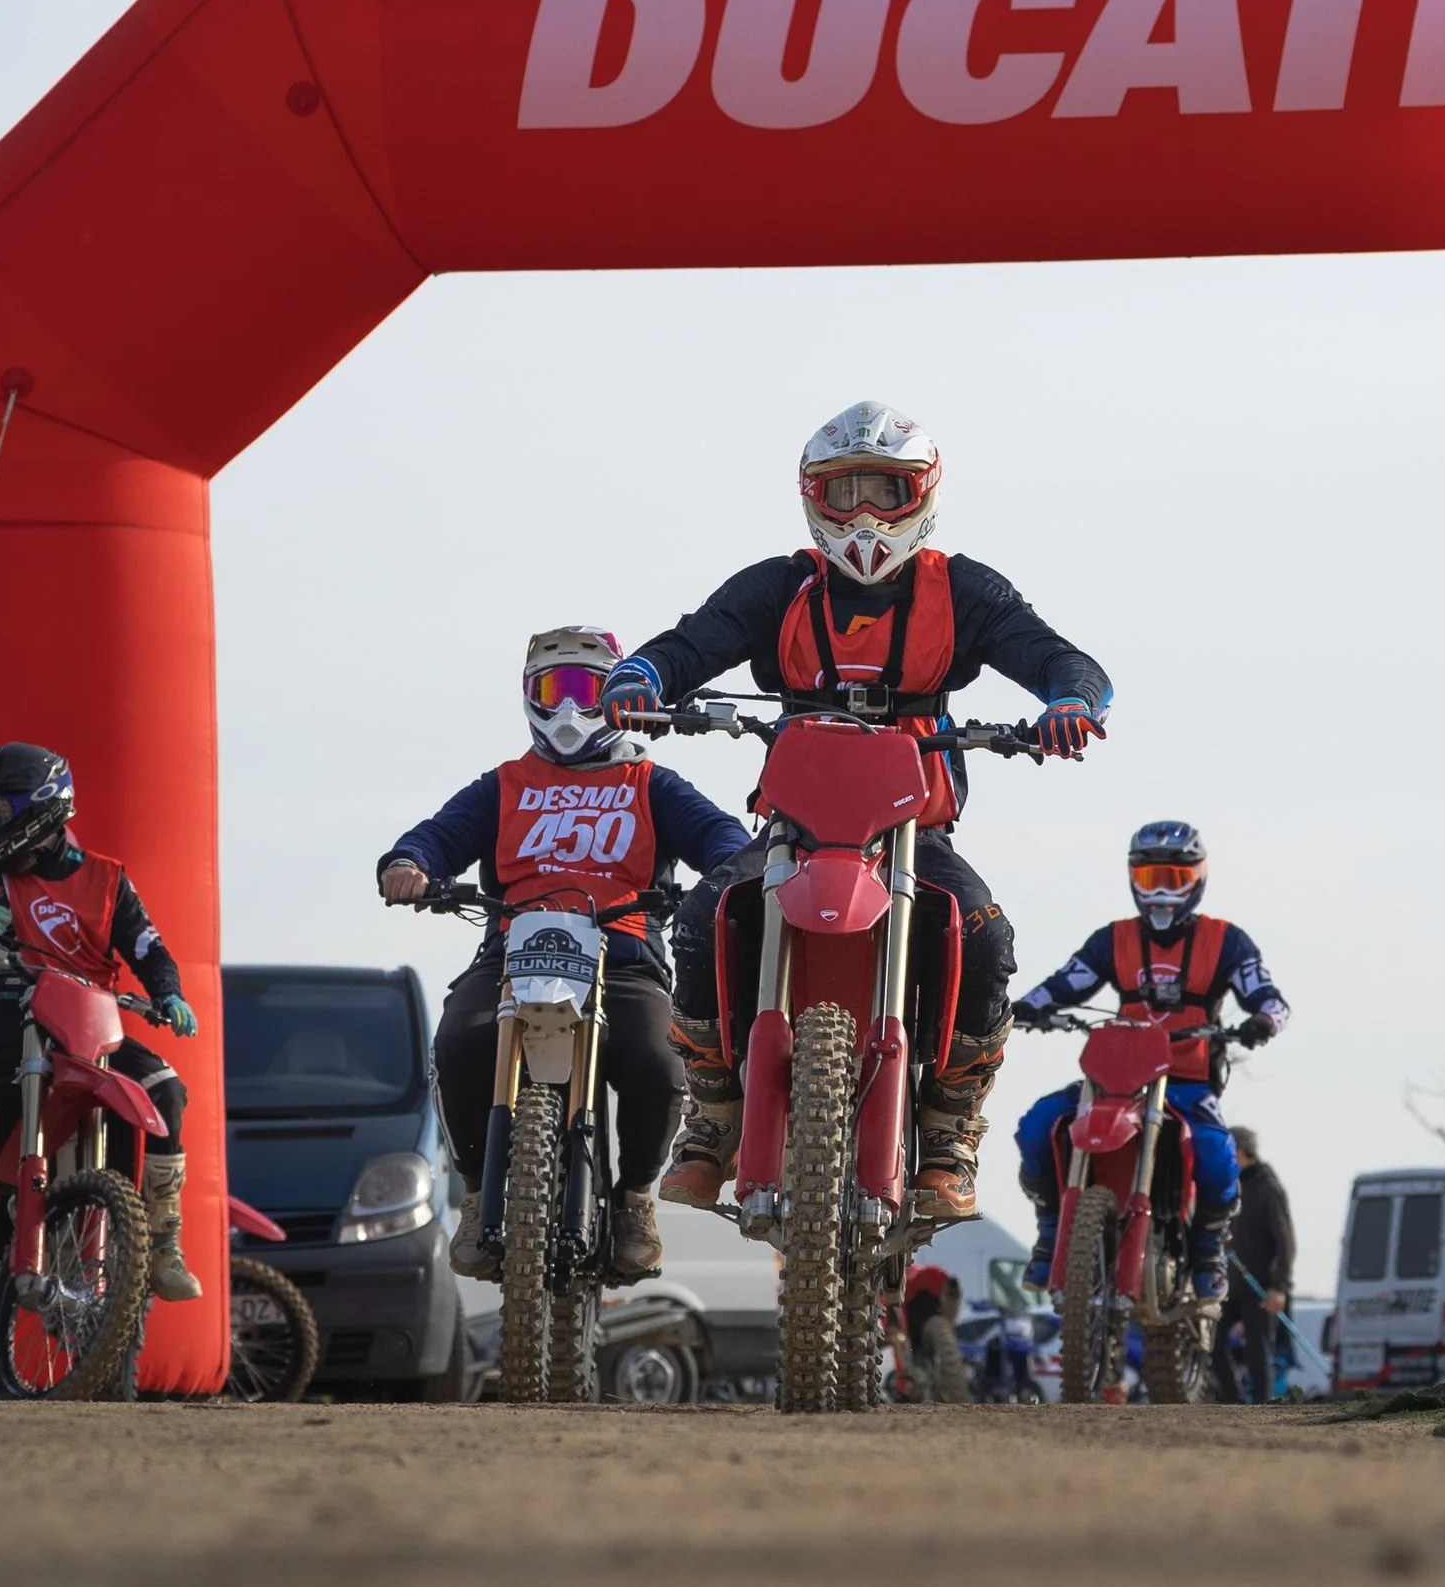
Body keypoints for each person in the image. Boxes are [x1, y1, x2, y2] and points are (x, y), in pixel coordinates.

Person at [603, 401, 1110, 1228]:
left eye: (886, 489)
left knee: (983, 934)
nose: (866, 514)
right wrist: (643, 677)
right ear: (813, 498)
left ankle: (948, 1132)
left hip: (915, 829)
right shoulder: (781, 584)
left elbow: (1056, 653)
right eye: (845, 493)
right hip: (795, 824)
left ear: (924, 494)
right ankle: (716, 1112)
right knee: (701, 918)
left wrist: (1072, 699)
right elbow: (695, 639)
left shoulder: (964, 588)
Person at [378, 626, 751, 1284]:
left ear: (615, 696)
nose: (572, 707)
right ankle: (473, 1192)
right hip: (511, 952)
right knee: (460, 1043)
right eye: (555, 689)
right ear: (530, 697)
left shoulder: (649, 780)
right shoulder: (506, 784)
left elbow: (719, 833)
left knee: (657, 1060)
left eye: (589, 688)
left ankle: (635, 1196)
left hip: (624, 953)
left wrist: (731, 872)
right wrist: (408, 863)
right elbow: (436, 836)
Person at [0, 742, 201, 1369]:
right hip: (11, 1052)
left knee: (165, 1087)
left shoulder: (106, 879)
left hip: (92, 1041)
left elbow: (148, 948)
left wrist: (168, 992)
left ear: (40, 809)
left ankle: (162, 1242)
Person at [1011, 820, 1289, 1301]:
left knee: (1219, 1159)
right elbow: (1064, 984)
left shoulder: (1226, 941)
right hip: (1116, 1081)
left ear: (1197, 878)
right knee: (1037, 1127)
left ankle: (1206, 1255)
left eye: (1174, 879)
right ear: (1131, 879)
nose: (1160, 891)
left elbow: (1268, 997)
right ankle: (1051, 1227)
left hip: (1185, 1084)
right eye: (1149, 878)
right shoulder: (1112, 939)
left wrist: (1262, 1021)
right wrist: (1021, 1007)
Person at [1214, 1127, 1296, 1403]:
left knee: (1257, 1355)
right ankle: (1233, 1403)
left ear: (1240, 1153)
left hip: (1259, 1287)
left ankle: (1262, 1410)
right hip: (1228, 1287)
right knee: (1212, 1343)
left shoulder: (1267, 1188)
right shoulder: (1230, 1185)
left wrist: (1279, 1287)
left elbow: (1285, 1242)